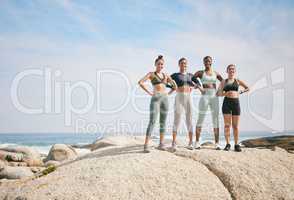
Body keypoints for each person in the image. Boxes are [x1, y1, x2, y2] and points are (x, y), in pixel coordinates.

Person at [138, 55, 177, 153]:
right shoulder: (151, 74)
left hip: (165, 99)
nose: (160, 65)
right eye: (159, 64)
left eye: (162, 64)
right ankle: (146, 145)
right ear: (155, 64)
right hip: (155, 99)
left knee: (163, 122)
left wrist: (168, 93)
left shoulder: (166, 75)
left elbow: (175, 86)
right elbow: (140, 82)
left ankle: (161, 144)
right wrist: (149, 93)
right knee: (152, 121)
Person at [169, 57, 201, 152]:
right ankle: (174, 142)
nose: (184, 65)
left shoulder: (191, 75)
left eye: (185, 63)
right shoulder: (175, 75)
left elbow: (198, 83)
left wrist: (194, 87)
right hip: (179, 97)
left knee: (189, 119)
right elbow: (167, 81)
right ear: (179, 64)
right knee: (177, 119)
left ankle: (190, 142)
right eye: (182, 63)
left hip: (188, 97)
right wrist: (174, 87)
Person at [217, 64, 249, 152]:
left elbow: (247, 88)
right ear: (227, 71)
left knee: (235, 126)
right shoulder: (224, 81)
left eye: (233, 69)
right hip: (226, 103)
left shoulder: (237, 81)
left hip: (236, 103)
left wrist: (241, 91)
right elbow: (218, 93)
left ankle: (236, 144)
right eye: (230, 69)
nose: (231, 70)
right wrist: (224, 94)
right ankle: (227, 144)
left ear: (234, 71)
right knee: (227, 125)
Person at [194, 56, 223, 150]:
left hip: (214, 97)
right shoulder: (200, 72)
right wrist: (199, 87)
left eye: (209, 61)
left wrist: (219, 90)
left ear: (211, 62)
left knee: (215, 119)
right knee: (200, 118)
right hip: (205, 96)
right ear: (203, 62)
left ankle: (217, 143)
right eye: (205, 61)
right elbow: (192, 79)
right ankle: (197, 142)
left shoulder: (215, 73)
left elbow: (223, 82)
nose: (207, 62)